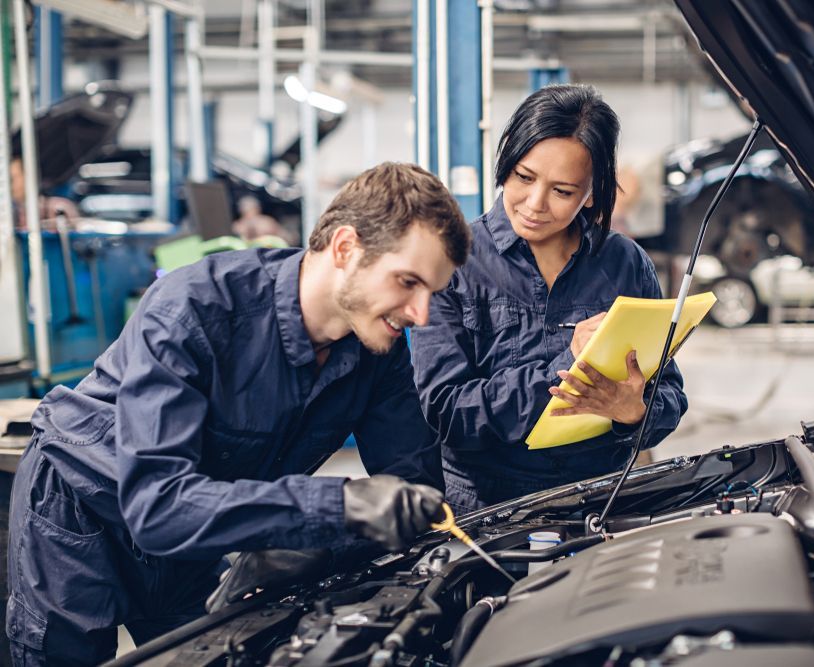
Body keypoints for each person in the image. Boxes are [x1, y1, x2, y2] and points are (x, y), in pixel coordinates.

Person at [6, 162, 471, 665]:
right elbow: (158, 505)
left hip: (198, 529)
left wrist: (311, 548)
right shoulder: (194, 310)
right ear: (345, 248)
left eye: (433, 293)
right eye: (408, 282)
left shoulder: (378, 351)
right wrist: (335, 507)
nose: (421, 314)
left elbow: (412, 483)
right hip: (82, 512)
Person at [411, 85, 688, 513]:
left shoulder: (624, 264)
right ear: (506, 162)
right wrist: (568, 369)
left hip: (599, 504)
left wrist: (633, 412)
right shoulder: (456, 261)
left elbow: (669, 393)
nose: (535, 204)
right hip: (487, 513)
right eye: (524, 177)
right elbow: (446, 412)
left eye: (562, 191)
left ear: (591, 192)